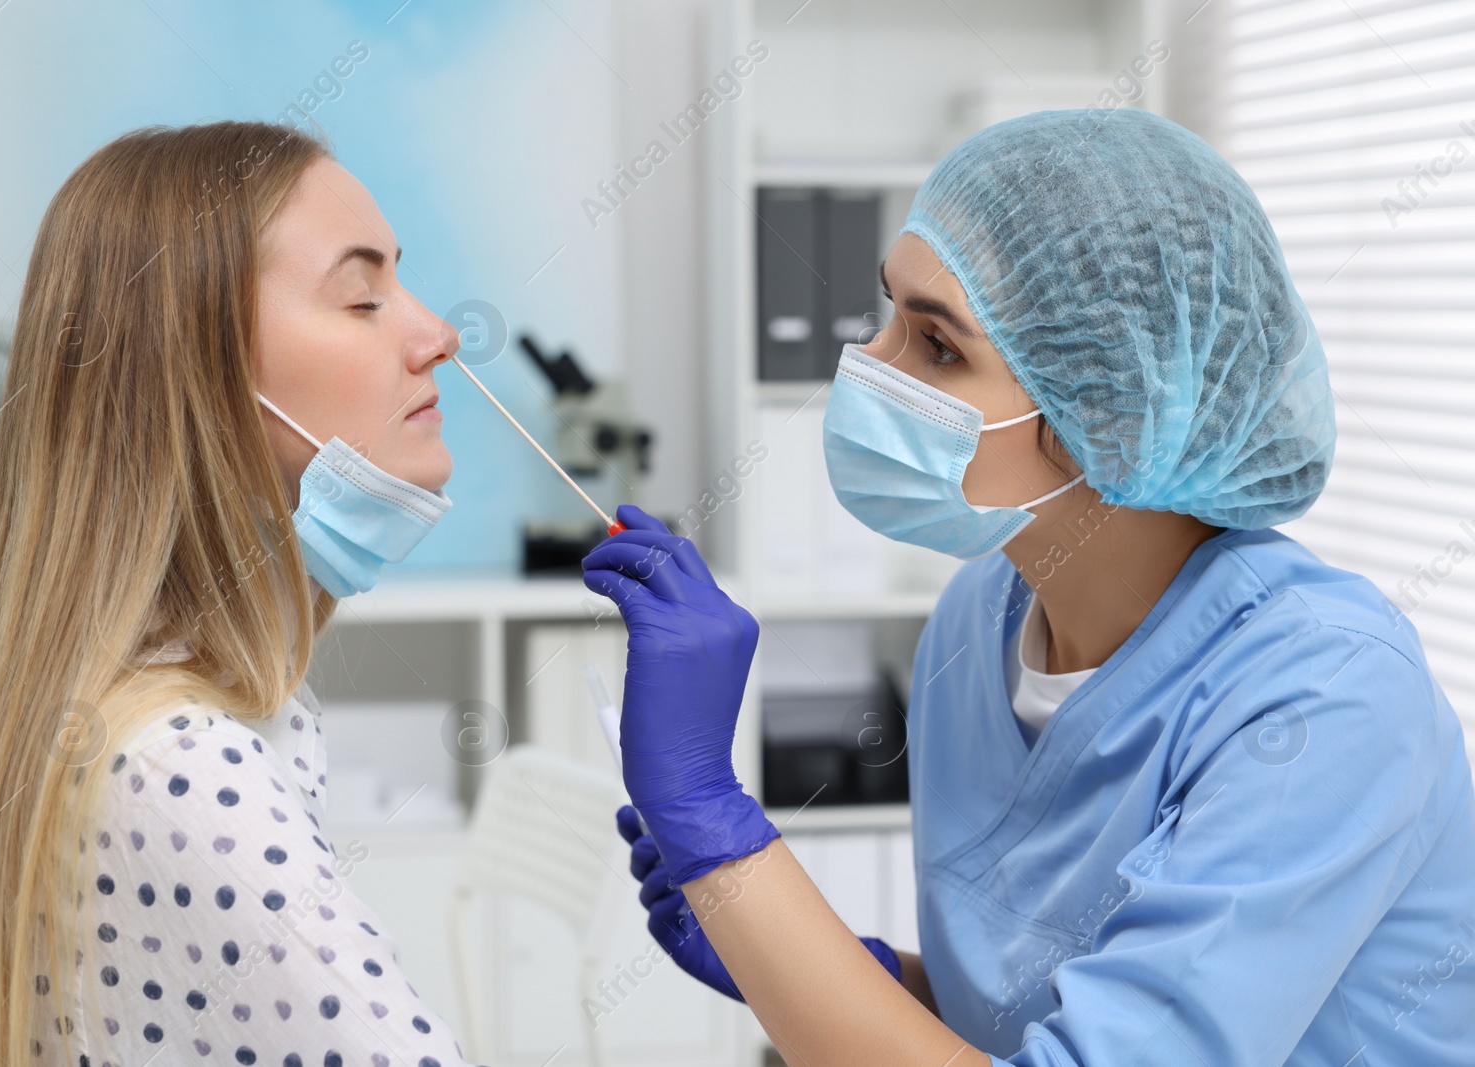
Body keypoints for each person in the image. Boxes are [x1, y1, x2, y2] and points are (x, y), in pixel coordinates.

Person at [584, 109, 1475, 1066]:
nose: (865, 370)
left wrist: (712, 817)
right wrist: (807, 955)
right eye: (887, 315)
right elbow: (1018, 1011)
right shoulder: (978, 618)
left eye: (936, 347)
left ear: (1115, 411)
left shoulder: (1327, 699)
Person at [0, 120, 480, 1067]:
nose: (438, 334)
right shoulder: (186, 772)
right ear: (194, 375)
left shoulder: (124, 707)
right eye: (362, 297)